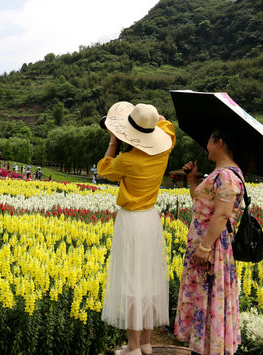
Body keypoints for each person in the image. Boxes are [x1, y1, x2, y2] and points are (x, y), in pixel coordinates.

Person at [97, 102, 175, 355]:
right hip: (150, 221)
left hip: (131, 222)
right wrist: (149, 123)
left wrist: (113, 141)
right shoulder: (165, 148)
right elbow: (165, 123)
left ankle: (132, 346)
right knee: (150, 282)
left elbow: (103, 170)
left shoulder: (127, 160)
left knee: (132, 284)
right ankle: (147, 344)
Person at [174, 127, 247, 355]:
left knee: (209, 294)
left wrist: (205, 247)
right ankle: (203, 347)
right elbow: (202, 203)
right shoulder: (221, 172)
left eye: (209, 140)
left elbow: (222, 214)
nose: (206, 145)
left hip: (212, 248)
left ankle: (211, 349)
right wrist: (192, 178)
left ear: (219, 143)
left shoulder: (226, 175)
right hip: (206, 245)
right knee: (203, 297)